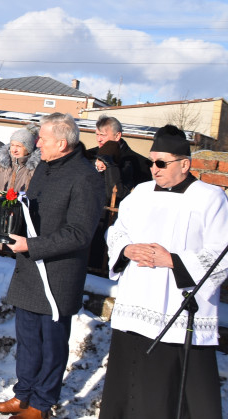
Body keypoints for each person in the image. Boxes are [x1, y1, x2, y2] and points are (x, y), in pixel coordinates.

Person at [98, 125, 227, 419]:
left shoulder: (210, 198)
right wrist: (126, 249)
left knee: (165, 395)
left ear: (184, 163)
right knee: (127, 386)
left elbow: (222, 253)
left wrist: (173, 260)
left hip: (176, 310)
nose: (153, 168)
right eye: (151, 162)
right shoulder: (141, 193)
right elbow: (117, 232)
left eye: (161, 163)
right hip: (135, 306)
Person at [0, 113, 105, 419]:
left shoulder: (86, 177)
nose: (37, 144)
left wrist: (32, 246)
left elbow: (80, 233)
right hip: (29, 270)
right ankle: (23, 394)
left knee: (51, 344)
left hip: (57, 275)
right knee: (27, 341)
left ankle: (41, 403)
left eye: (44, 139)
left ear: (62, 143)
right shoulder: (43, 169)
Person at [86, 114, 151, 196]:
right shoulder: (88, 155)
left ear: (117, 136)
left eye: (103, 135)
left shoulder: (141, 164)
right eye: (97, 134)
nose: (99, 139)